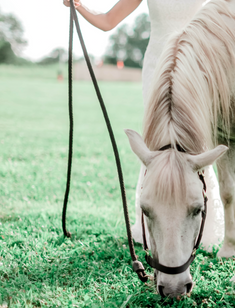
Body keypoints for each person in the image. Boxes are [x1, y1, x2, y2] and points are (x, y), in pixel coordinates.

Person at [63, 0, 225, 249]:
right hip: (157, 65)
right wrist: (79, 5)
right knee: (157, 140)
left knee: (195, 140)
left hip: (198, 65)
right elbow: (108, 21)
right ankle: (155, 219)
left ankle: (203, 225)